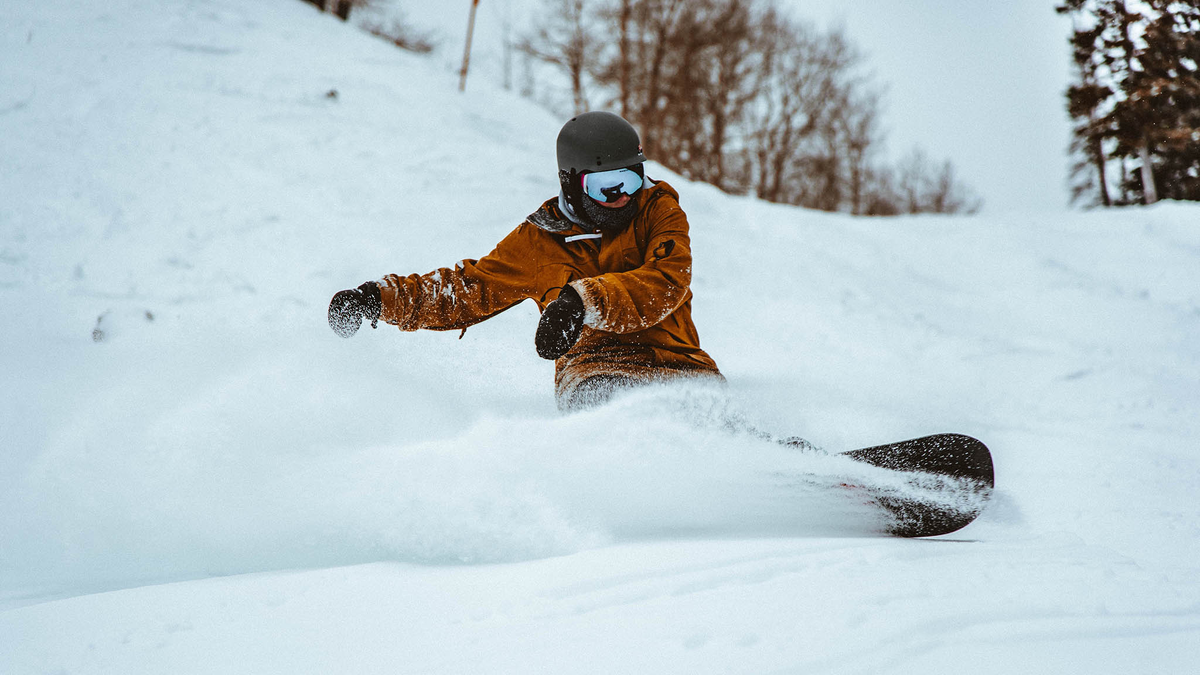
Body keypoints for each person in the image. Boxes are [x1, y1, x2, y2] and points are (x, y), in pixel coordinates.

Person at [328, 111, 723, 411]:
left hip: (682, 364)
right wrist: (377, 299)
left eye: (632, 179)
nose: (622, 196)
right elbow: (469, 289)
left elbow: (664, 282)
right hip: (596, 372)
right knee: (622, 410)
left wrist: (581, 302)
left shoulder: (660, 212)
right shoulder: (539, 242)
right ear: (571, 182)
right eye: (606, 186)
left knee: (704, 410)